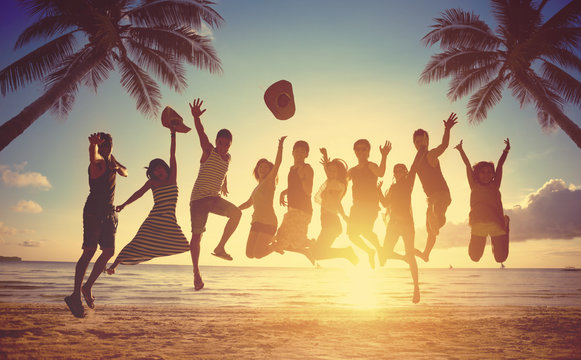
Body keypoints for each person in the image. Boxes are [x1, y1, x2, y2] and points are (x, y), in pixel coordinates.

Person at [106, 126, 190, 275]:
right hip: (154, 219)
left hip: (169, 220)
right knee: (137, 242)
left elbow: (173, 155)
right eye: (155, 170)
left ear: (165, 168)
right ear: (152, 173)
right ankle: (115, 265)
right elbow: (138, 193)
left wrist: (173, 134)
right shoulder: (153, 183)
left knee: (185, 245)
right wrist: (124, 205)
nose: (159, 171)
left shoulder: (172, 179)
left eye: (160, 168)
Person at [65, 132, 127, 318]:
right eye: (103, 145)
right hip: (93, 212)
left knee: (109, 251)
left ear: (112, 146)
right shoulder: (98, 163)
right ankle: (75, 295)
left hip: (108, 212)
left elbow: (126, 171)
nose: (106, 147)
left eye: (109, 144)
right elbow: (93, 157)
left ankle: (87, 287)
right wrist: (93, 146)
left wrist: (114, 161)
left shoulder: (112, 163)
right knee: (89, 251)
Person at [189, 98, 241, 290]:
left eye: (227, 145)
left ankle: (220, 247)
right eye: (221, 143)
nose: (223, 147)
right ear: (216, 141)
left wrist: (225, 183)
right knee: (197, 237)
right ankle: (196, 273)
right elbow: (201, 134)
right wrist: (196, 118)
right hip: (198, 201)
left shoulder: (227, 158)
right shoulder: (209, 150)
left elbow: (223, 169)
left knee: (237, 214)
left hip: (214, 199)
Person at [378, 148, 426, 304]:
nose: (398, 173)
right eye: (396, 171)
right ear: (394, 174)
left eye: (401, 170)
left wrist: (421, 150)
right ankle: (406, 257)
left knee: (410, 254)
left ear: (405, 173)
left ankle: (416, 288)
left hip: (406, 224)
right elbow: (385, 204)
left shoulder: (408, 183)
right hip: (393, 224)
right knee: (384, 254)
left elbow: (414, 166)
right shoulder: (391, 188)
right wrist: (378, 191)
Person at [454, 138, 511, 264]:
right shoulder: (474, 185)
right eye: (482, 172)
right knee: (474, 257)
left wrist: (506, 151)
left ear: (493, 175)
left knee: (500, 259)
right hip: (478, 223)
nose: (486, 175)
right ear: (477, 174)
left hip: (496, 222)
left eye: (489, 172)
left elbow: (500, 165)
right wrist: (461, 150)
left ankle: (506, 228)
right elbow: (468, 165)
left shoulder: (495, 185)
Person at [413, 113, 458, 262]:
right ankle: (426, 254)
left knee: (436, 215)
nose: (419, 143)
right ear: (414, 143)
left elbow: (444, 146)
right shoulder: (417, 162)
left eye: (422, 140)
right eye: (416, 141)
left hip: (442, 195)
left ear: (427, 141)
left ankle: (439, 218)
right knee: (430, 230)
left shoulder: (430, 155)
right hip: (431, 199)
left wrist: (447, 129)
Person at [238, 136, 287, 259]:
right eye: (260, 166)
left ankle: (275, 246)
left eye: (266, 167)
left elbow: (278, 163)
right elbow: (248, 203)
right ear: (257, 170)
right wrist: (235, 209)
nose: (263, 168)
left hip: (269, 222)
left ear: (270, 170)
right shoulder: (256, 189)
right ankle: (274, 243)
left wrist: (280, 145)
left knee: (258, 254)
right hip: (256, 222)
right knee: (249, 254)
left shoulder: (270, 181)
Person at [347, 139, 391, 268]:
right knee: (352, 235)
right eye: (358, 149)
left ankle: (378, 248)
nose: (361, 151)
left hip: (370, 205)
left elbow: (381, 173)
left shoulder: (371, 165)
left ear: (368, 152)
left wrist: (384, 156)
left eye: (364, 149)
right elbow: (340, 181)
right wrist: (327, 162)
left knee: (366, 231)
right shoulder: (352, 170)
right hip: (356, 206)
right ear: (355, 152)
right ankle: (370, 251)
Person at [311, 148, 358, 265]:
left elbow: (337, 202)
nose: (330, 173)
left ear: (339, 173)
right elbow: (328, 171)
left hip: (331, 221)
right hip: (328, 221)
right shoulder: (332, 181)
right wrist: (326, 157)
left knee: (318, 254)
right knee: (317, 253)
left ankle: (346, 252)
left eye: (334, 171)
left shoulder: (335, 184)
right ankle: (345, 252)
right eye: (329, 171)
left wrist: (344, 216)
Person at [273, 140, 314, 262]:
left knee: (281, 240)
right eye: (297, 150)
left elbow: (308, 191)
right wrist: (283, 192)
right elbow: (294, 187)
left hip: (302, 210)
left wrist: (302, 176)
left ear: (306, 154)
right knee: (287, 241)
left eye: (303, 151)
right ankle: (306, 249)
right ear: (292, 153)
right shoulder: (292, 169)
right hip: (293, 209)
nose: (299, 153)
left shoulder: (307, 168)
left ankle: (311, 245)